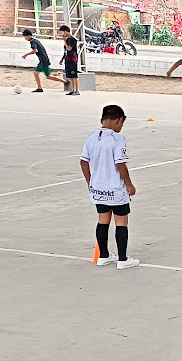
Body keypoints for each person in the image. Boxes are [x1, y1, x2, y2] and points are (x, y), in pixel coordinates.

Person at [81, 104, 139, 270]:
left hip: (98, 188)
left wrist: (90, 181)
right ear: (119, 120)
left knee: (103, 220)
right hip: (115, 188)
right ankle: (123, 259)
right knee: (121, 221)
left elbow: (83, 161)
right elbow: (120, 164)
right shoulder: (117, 139)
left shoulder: (91, 137)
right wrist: (129, 184)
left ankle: (103, 256)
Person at [59, 25, 80, 96]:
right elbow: (65, 51)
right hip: (67, 59)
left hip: (72, 59)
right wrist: (62, 59)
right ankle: (73, 89)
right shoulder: (67, 40)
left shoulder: (73, 39)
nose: (61, 34)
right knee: (70, 76)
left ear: (65, 31)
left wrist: (64, 40)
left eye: (62, 32)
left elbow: (69, 49)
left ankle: (77, 90)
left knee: (74, 75)